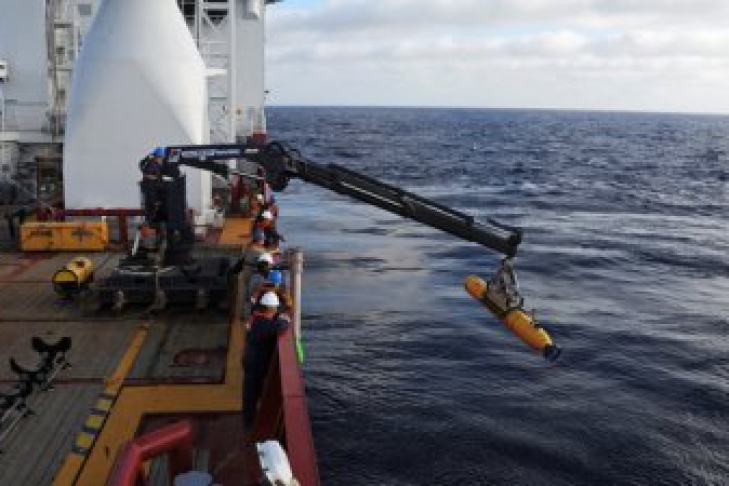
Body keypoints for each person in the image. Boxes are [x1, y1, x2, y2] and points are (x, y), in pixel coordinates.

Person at [243, 291, 290, 430]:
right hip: (255, 364)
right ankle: (249, 424)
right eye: (275, 308)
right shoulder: (263, 325)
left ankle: (249, 420)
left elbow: (274, 319)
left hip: (250, 360)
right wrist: (284, 319)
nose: (276, 311)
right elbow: (282, 326)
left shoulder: (257, 317)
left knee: (250, 393)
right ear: (271, 309)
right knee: (251, 394)